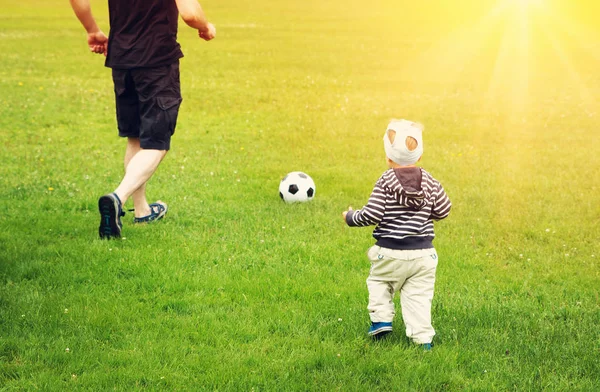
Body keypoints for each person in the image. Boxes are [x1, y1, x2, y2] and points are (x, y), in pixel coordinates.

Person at [69, 0, 216, 239]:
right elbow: (190, 14)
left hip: (122, 60)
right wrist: (206, 25)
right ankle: (117, 198)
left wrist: (92, 30)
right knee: (156, 144)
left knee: (135, 138)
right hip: (156, 60)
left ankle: (142, 211)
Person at [342, 119, 451, 349]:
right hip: (424, 256)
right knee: (419, 298)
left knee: (379, 281)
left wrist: (351, 217)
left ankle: (381, 319)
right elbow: (443, 210)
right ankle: (422, 340)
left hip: (390, 253)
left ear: (388, 157)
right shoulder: (430, 181)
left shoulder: (386, 180)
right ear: (419, 156)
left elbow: (371, 214)